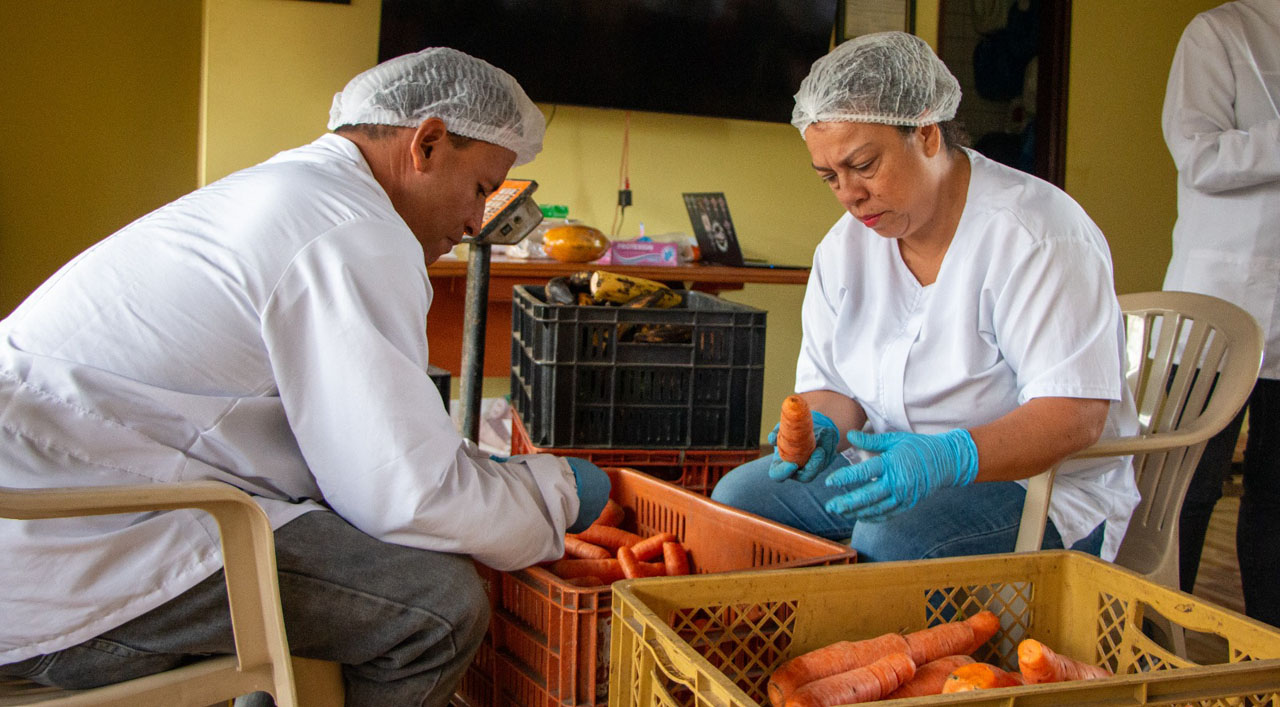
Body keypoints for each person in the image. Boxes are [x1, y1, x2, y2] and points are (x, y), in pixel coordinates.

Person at [0, 47, 611, 706]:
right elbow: (407, 493)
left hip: (61, 505)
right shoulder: (353, 231)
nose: (474, 222)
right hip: (63, 562)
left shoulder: (297, 190)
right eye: (482, 189)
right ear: (427, 144)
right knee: (438, 606)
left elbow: (355, 453)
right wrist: (556, 494)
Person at [710, 32, 1141, 564]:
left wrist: (950, 457)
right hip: (891, 463)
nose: (849, 194)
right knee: (738, 505)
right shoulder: (843, 250)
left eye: (864, 165)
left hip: (1034, 485)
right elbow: (834, 388)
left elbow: (1074, 415)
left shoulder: (1038, 237)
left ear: (928, 134)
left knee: (892, 539)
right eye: (829, 177)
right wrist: (820, 427)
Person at [1163, 0, 1280, 626]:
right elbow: (1199, 155)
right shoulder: (1219, 32)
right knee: (1185, 490)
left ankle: (1268, 650)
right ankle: (1154, 635)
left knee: (1276, 498)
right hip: (1217, 309)